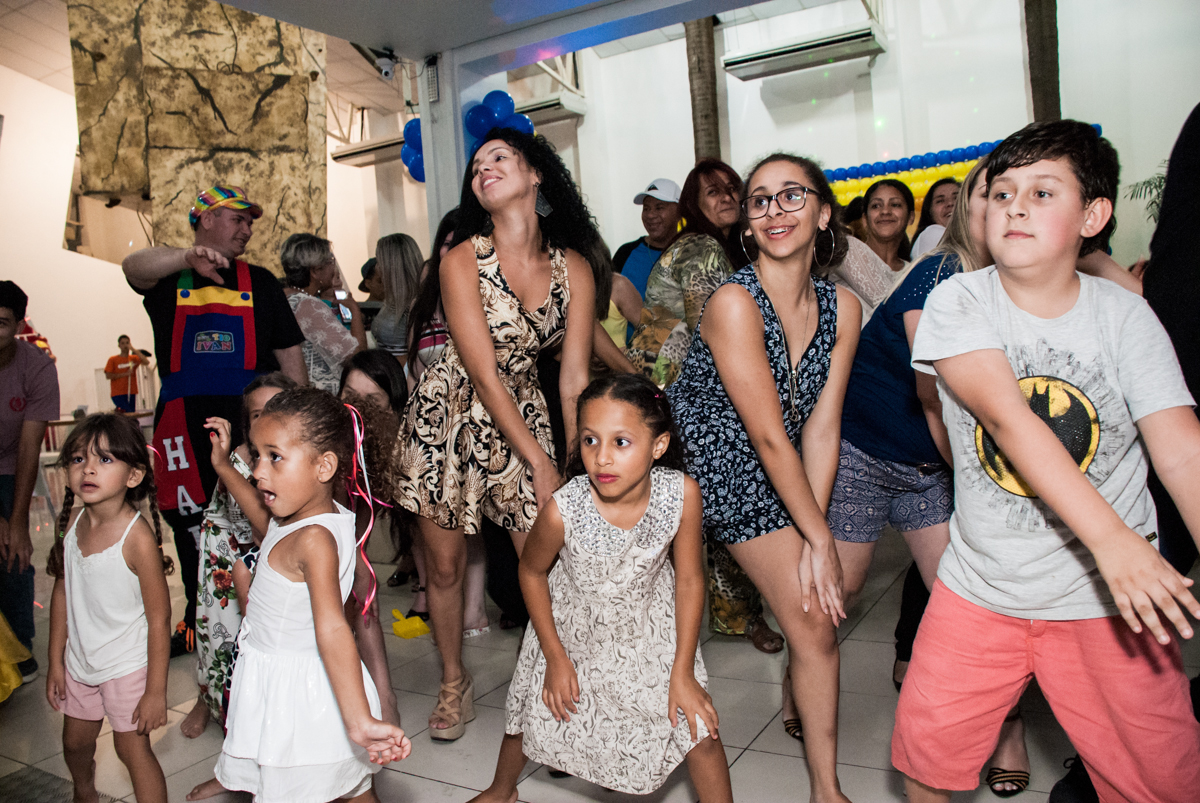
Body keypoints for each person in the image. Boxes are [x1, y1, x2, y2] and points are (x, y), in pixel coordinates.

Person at [894, 120, 1200, 803]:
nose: (1016, 206)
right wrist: (1113, 540)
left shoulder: (1126, 318)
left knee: (1160, 778)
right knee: (926, 759)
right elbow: (1007, 417)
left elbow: (1181, 449)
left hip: (1107, 599)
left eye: (1041, 191)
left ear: (1093, 214)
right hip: (984, 589)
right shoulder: (958, 300)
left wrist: (1123, 552)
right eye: (1001, 194)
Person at [670, 153, 861, 803]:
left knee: (816, 620)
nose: (775, 211)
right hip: (717, 464)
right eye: (760, 201)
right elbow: (767, 434)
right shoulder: (733, 300)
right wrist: (817, 540)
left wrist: (818, 533)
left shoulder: (844, 308)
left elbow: (822, 427)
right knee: (814, 622)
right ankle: (827, 790)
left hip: (778, 463)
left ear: (823, 211)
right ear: (747, 225)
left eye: (791, 196)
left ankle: (825, 786)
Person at [395, 128, 596, 742]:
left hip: (527, 414)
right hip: (449, 417)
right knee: (447, 570)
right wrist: (539, 460)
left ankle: (556, 681)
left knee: (547, 560)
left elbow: (575, 378)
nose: (483, 169)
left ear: (536, 175)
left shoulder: (576, 267)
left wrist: (570, 462)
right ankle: (454, 683)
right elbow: (481, 373)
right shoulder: (461, 259)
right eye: (477, 165)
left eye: (499, 158)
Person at [469, 374, 733, 803]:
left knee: (698, 728)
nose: (602, 458)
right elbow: (532, 573)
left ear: (659, 446)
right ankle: (501, 790)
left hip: (650, 631)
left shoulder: (682, 495)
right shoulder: (563, 509)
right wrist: (555, 658)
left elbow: (688, 579)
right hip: (572, 632)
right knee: (533, 714)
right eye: (590, 440)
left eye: (621, 442)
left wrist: (682, 670)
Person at [121, 185, 307, 656]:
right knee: (189, 526)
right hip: (183, 426)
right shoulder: (168, 278)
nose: (247, 229)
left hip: (253, 426)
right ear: (204, 219)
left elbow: (290, 357)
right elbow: (132, 268)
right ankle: (197, 625)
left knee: (259, 518)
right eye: (237, 219)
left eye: (250, 222)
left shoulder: (261, 282)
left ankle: (262, 615)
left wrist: (304, 420)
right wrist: (187, 257)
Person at [208, 387, 410, 802]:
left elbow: (335, 628)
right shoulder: (315, 515)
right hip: (305, 685)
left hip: (299, 698)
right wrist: (224, 466)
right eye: (257, 456)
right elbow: (263, 519)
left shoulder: (314, 539)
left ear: (324, 466)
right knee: (350, 790)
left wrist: (358, 721)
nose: (259, 471)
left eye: (274, 457)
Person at [45, 413, 174, 803]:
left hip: (127, 664)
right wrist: (56, 660)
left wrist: (155, 691)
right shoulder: (72, 520)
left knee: (131, 749)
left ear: (133, 476)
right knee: (75, 742)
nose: (88, 468)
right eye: (78, 458)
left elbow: (159, 619)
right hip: (81, 661)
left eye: (104, 460)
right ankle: (85, 792)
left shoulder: (137, 539)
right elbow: (62, 592)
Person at [180, 373, 295, 740]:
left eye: (277, 409)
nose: (267, 420)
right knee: (216, 633)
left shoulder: (291, 463)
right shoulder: (238, 456)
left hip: (266, 552)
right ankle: (207, 697)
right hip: (223, 548)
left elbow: (267, 527)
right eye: (258, 413)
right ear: (247, 421)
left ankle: (251, 710)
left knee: (255, 639)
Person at [0, 280, 58, 684]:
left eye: (1, 323)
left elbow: (28, 450)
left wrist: (16, 521)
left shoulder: (36, 365)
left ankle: (19, 650)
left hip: (10, 467)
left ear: (19, 325)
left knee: (13, 552)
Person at [282, 233, 367, 393]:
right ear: (315, 271)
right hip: (318, 395)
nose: (333, 267)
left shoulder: (284, 297)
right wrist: (354, 311)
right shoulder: (308, 305)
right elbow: (356, 356)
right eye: (330, 262)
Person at [612, 178, 683, 297]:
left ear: (679, 211)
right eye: (646, 208)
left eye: (659, 208)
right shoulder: (625, 253)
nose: (650, 215)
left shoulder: (692, 253)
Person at [370, 234, 424, 364]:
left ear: (391, 266)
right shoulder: (391, 301)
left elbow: (413, 359)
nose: (377, 268)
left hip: (400, 378)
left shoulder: (415, 305)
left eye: (379, 262)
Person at [861, 178, 915, 272]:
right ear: (865, 219)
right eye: (876, 206)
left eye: (895, 204)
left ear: (911, 217)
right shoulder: (845, 263)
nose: (885, 211)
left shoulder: (913, 273)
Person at [909, 177, 959, 261]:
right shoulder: (932, 233)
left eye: (956, 198)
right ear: (930, 212)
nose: (950, 203)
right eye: (940, 201)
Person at [104, 335, 147, 412]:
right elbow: (108, 375)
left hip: (131, 391)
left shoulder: (133, 358)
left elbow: (146, 362)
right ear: (119, 345)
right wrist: (125, 374)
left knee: (131, 413)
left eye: (127, 343)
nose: (125, 345)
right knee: (127, 412)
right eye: (123, 343)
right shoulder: (113, 359)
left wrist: (133, 349)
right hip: (118, 393)